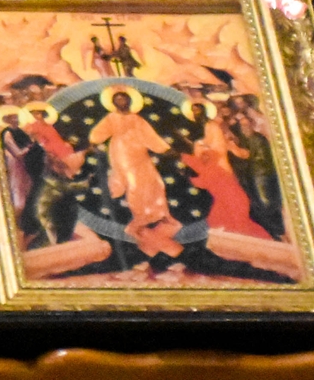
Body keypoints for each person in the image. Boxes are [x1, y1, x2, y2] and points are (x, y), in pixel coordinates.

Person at [89, 87, 181, 263]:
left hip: (140, 153)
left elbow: (150, 137)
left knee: (155, 181)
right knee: (135, 185)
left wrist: (164, 149)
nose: (121, 102)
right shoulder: (111, 118)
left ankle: (155, 212)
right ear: (113, 102)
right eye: (118, 99)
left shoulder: (137, 119)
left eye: (124, 99)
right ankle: (140, 216)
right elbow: (98, 133)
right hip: (123, 154)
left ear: (130, 101)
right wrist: (94, 141)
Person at [184, 98, 267, 239]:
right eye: (194, 111)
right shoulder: (203, 128)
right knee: (222, 204)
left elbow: (218, 148)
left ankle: (240, 229)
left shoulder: (212, 126)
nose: (196, 113)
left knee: (231, 198)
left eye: (198, 110)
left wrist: (202, 148)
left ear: (204, 111)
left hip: (220, 168)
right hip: (212, 169)